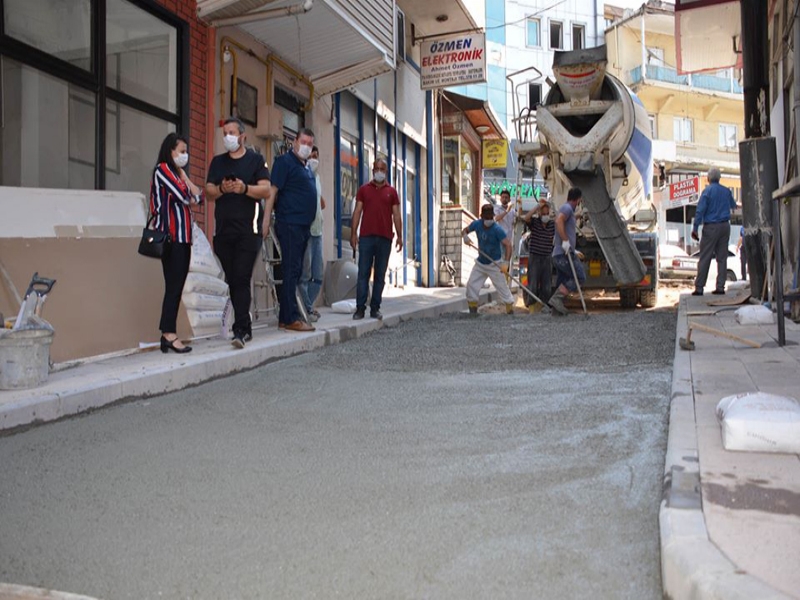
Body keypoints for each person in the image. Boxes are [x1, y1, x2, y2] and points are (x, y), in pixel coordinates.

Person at [205, 117, 271, 349]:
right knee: (233, 279)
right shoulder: (218, 162)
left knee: (242, 278)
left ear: (243, 136)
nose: (228, 137)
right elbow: (209, 190)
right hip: (223, 231)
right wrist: (223, 189)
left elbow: (265, 190)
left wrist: (244, 188)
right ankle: (246, 324)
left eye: (232, 132)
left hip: (248, 231)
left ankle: (240, 330)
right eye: (225, 133)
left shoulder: (255, 160)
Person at [150, 133, 203, 354]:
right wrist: (186, 187)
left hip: (184, 238)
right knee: (173, 286)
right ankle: (168, 334)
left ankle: (167, 334)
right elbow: (184, 196)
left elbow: (198, 197)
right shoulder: (162, 170)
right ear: (170, 151)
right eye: (181, 151)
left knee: (176, 285)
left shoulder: (177, 173)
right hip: (172, 237)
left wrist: (185, 177)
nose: (185, 155)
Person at [264, 128, 318, 332]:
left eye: (310, 144)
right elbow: (272, 191)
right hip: (289, 224)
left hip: (303, 226)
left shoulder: (305, 166)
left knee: (294, 270)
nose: (306, 146)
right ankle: (289, 317)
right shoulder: (284, 162)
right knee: (290, 270)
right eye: (303, 142)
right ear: (294, 141)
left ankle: (286, 316)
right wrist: (266, 219)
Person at [350, 158, 403, 320]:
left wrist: (400, 236)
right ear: (373, 171)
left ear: (386, 172)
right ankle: (360, 309)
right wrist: (353, 233)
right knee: (363, 273)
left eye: (382, 169)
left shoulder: (392, 192)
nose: (379, 171)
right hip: (366, 237)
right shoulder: (364, 190)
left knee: (380, 275)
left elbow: (396, 215)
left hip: (385, 238)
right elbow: (357, 211)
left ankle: (375, 308)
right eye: (377, 168)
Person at [462, 204, 515, 316]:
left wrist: (506, 263)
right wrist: (465, 237)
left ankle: (510, 311)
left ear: (493, 216)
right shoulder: (476, 224)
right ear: (482, 217)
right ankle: (472, 312)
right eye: (486, 218)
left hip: (494, 264)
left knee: (503, 289)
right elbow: (464, 230)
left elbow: (508, 245)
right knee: (471, 285)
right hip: (481, 263)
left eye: (491, 217)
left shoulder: (497, 229)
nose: (489, 220)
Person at [691, 167, 737, 296]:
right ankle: (720, 287)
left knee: (705, 257)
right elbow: (733, 206)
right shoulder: (726, 191)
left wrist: (695, 228)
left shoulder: (707, 192)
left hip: (711, 227)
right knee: (722, 258)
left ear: (708, 178)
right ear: (719, 178)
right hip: (725, 226)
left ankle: (699, 288)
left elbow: (700, 211)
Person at [549, 187, 587, 316]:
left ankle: (556, 309)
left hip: (561, 253)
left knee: (563, 279)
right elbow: (559, 220)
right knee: (579, 277)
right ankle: (556, 299)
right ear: (578, 199)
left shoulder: (569, 211)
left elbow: (565, 221)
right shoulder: (567, 208)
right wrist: (565, 241)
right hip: (563, 253)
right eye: (579, 201)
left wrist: (576, 216)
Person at [299, 145, 326, 323]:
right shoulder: (301, 176)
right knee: (305, 274)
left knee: (318, 275)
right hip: (306, 231)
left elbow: (321, 202)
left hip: (318, 231)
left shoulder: (316, 177)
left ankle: (307, 305)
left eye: (316, 156)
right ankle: (306, 308)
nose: (314, 159)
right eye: (311, 156)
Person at [521, 199, 556, 309]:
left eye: (547, 213)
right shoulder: (535, 223)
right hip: (535, 258)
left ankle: (544, 306)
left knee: (547, 287)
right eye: (543, 213)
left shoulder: (552, 225)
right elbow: (526, 218)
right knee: (533, 284)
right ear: (539, 214)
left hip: (547, 258)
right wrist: (537, 206)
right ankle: (531, 305)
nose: (546, 216)